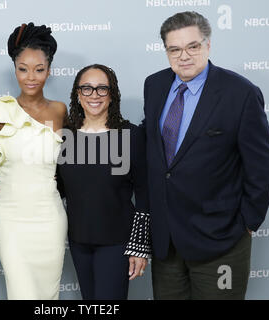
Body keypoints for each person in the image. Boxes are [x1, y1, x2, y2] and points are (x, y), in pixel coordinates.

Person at [141, 11, 269, 299]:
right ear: (165, 51)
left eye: (193, 46)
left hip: (220, 240)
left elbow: (261, 166)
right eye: (174, 49)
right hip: (166, 242)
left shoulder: (239, 93)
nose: (184, 56)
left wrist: (247, 222)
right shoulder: (154, 85)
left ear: (208, 45)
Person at [0, 23, 68, 300]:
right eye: (23, 68)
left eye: (39, 69)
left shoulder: (60, 111)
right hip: (12, 219)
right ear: (14, 68)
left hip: (49, 219)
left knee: (48, 296)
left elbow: (71, 164)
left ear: (49, 69)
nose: (31, 77)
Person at [56, 64, 151, 300]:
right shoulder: (65, 137)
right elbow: (56, 188)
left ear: (112, 94)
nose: (94, 95)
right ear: (77, 95)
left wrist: (139, 245)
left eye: (102, 89)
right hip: (78, 241)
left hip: (117, 243)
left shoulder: (131, 136)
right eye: (87, 89)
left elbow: (145, 193)